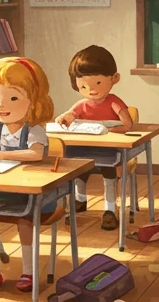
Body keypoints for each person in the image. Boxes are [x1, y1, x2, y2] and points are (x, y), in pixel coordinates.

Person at [0, 56, 56, 294]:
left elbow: (36, 154)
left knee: (25, 220)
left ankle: (28, 271)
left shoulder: (34, 130)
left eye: (13, 98)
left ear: (33, 101)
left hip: (33, 197)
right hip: (2, 192)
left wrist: (1, 155)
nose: (1, 105)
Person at [55, 45, 134, 230]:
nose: (91, 90)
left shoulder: (113, 102)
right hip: (84, 151)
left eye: (97, 83)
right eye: (83, 86)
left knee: (109, 175)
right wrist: (63, 118)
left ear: (114, 78)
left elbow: (128, 124)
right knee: (79, 172)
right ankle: (80, 200)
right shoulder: (82, 104)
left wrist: (113, 130)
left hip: (109, 152)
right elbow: (69, 115)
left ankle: (110, 209)